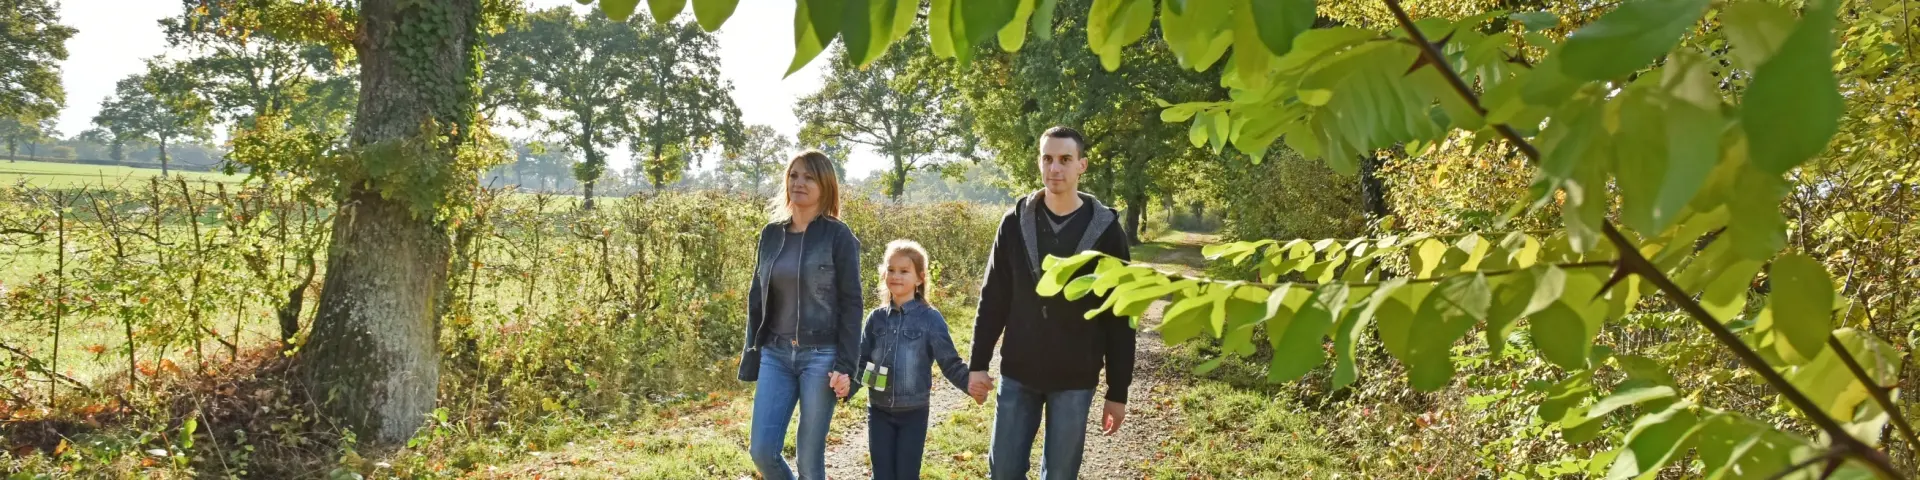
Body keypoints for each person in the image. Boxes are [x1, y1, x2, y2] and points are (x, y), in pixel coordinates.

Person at [969, 126, 1135, 479]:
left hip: (1076, 378)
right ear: (1039, 162)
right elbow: (993, 296)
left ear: (1081, 165)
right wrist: (978, 363)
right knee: (1003, 471)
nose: (1054, 168)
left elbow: (1120, 315)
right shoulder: (1013, 223)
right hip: (1019, 372)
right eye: (1047, 158)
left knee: (1060, 474)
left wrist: (1117, 391)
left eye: (1065, 159)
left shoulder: (1107, 232)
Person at [739, 150, 864, 480]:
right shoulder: (771, 234)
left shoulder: (838, 236)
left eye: (809, 177)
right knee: (762, 451)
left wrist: (846, 365)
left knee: (809, 459)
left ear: (825, 185)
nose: (799, 182)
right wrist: (752, 351)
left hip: (821, 357)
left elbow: (852, 305)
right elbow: (756, 297)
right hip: (775, 354)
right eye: (794, 175)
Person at [855, 239, 976, 480]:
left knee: (907, 474)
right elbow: (861, 362)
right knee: (882, 474)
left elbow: (950, 362)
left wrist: (971, 384)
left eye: (904, 271)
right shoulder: (875, 319)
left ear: (920, 278)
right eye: (891, 269)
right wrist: (844, 388)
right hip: (878, 410)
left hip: (913, 413)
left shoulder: (930, 319)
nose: (896, 276)